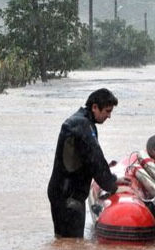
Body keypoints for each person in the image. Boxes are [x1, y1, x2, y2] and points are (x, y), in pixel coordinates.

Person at [47, 88, 129, 238]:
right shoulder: (82, 126)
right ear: (95, 107)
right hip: (69, 196)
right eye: (107, 111)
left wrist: (112, 179)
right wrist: (113, 187)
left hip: (62, 191)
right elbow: (95, 160)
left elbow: (91, 159)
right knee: (74, 244)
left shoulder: (80, 122)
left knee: (63, 242)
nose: (109, 116)